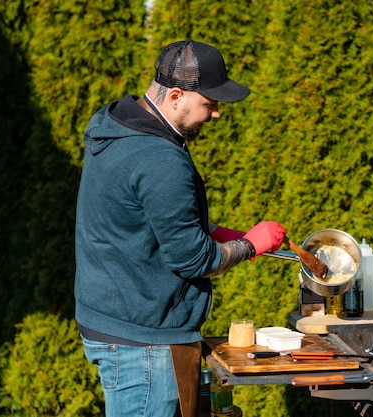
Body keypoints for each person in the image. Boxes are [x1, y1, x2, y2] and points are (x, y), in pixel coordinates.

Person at [74, 40, 287, 417]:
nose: (217, 113)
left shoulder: (118, 125)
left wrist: (218, 231)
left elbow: (139, 209)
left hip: (110, 321)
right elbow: (193, 259)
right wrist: (251, 245)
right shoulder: (159, 158)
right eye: (210, 103)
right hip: (143, 342)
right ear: (175, 96)